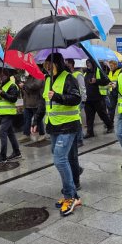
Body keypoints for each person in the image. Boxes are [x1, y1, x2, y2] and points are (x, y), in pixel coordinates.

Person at [33, 53, 82, 217]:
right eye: (46, 65)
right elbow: (43, 103)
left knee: (60, 160)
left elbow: (76, 98)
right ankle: (73, 195)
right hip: (53, 126)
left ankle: (70, 197)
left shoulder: (68, 78)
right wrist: (36, 120)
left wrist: (58, 96)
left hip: (68, 126)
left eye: (50, 65)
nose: (47, 67)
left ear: (58, 64)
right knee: (61, 159)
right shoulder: (48, 79)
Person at [0, 69, 22, 163]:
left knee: (2, 132)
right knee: (10, 133)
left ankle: (3, 156)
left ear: (7, 75)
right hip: (2, 113)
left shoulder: (12, 85)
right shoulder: (0, 84)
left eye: (2, 75)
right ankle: (17, 152)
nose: (0, 77)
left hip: (9, 113)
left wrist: (3, 93)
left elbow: (13, 99)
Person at [83, 59, 114, 138]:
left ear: (93, 63)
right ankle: (90, 132)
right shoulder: (86, 73)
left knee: (102, 114)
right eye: (87, 63)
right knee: (89, 116)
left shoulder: (98, 70)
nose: (88, 64)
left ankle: (110, 126)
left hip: (98, 97)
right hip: (88, 98)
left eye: (89, 63)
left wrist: (96, 81)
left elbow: (106, 81)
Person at [18, 72, 45, 143]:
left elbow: (36, 85)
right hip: (27, 102)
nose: (27, 71)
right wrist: (23, 86)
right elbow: (28, 88)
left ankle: (42, 134)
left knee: (38, 119)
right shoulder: (29, 77)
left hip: (36, 102)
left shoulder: (39, 75)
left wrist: (24, 86)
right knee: (26, 119)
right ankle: (26, 134)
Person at [65, 59, 86, 147]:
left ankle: (79, 139)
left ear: (72, 65)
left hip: (79, 100)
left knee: (77, 119)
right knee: (75, 119)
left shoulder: (78, 74)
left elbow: (82, 87)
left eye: (67, 64)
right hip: (72, 100)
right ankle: (79, 136)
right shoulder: (68, 75)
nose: (66, 65)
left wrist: (83, 99)